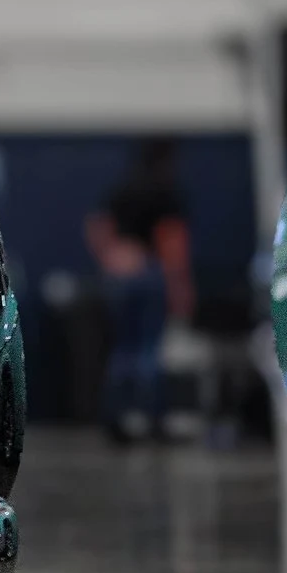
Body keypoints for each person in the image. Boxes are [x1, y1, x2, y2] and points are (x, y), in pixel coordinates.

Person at [84, 139, 195, 443]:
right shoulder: (166, 193)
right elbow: (172, 244)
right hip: (148, 272)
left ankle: (114, 420)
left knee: (122, 351)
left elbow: (97, 226)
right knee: (148, 351)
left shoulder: (123, 190)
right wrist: (179, 286)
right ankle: (153, 420)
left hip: (120, 275)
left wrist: (110, 258)